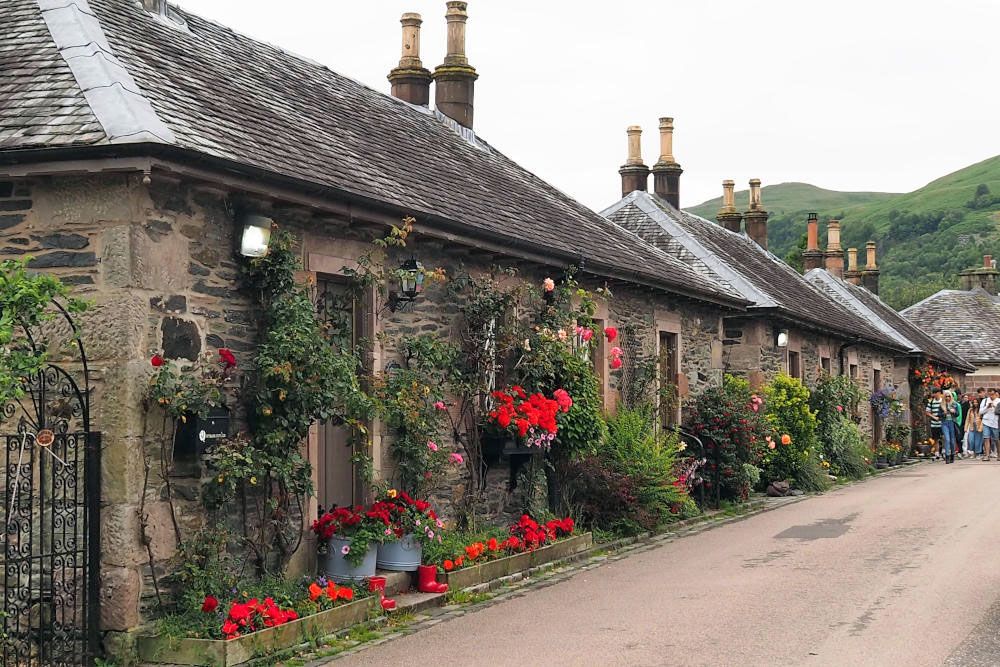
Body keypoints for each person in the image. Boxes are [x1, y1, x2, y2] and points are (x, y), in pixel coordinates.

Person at [980, 388, 1000, 461]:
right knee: (986, 438)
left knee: (996, 439)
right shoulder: (985, 401)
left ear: (995, 393)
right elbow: (980, 412)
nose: (991, 396)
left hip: (995, 422)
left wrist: (995, 407)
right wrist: (987, 407)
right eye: (989, 395)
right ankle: (987, 455)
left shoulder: (998, 401)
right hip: (986, 421)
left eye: (992, 394)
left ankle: (999, 454)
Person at [965, 390, 984, 458]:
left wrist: (981, 428)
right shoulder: (970, 410)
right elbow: (967, 419)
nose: (975, 403)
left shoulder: (981, 410)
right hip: (972, 427)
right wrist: (966, 428)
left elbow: (982, 419)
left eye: (976, 402)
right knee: (971, 440)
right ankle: (973, 452)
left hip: (979, 427)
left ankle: (978, 453)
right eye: (974, 402)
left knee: (978, 441)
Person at [941, 392, 959, 463]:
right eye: (946, 396)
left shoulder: (954, 404)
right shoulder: (942, 404)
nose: (947, 398)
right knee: (947, 439)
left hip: (952, 422)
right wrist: (943, 413)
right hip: (945, 423)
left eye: (949, 396)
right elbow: (939, 414)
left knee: (952, 440)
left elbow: (958, 414)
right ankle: (947, 455)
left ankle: (952, 455)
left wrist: (954, 411)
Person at [925, 388, 944, 459]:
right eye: (933, 393)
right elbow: (927, 412)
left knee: (943, 437)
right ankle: (937, 453)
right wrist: (933, 417)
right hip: (934, 423)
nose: (934, 395)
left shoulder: (943, 401)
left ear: (939, 393)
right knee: (936, 439)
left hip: (942, 423)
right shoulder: (931, 402)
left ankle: (944, 451)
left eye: (935, 393)